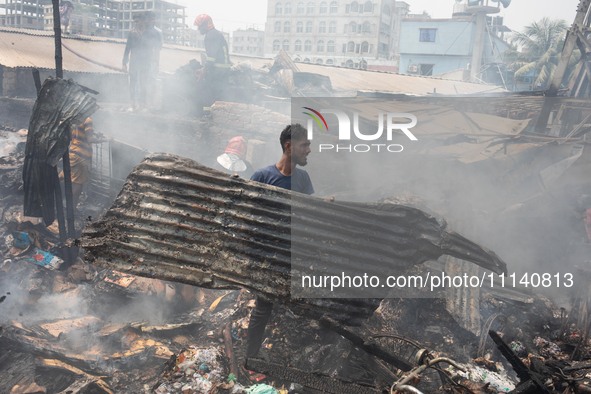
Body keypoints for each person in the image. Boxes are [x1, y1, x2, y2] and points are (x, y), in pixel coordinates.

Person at [245, 124, 314, 362]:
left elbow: (309, 215)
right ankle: (251, 357)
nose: (309, 150)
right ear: (289, 146)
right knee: (264, 307)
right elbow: (249, 218)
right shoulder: (263, 177)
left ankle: (298, 355)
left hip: (294, 255)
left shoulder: (303, 179)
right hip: (269, 257)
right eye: (305, 144)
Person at [122, 12, 162, 110]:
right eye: (135, 21)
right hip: (134, 61)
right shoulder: (132, 33)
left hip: (146, 61)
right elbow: (128, 48)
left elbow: (157, 50)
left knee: (144, 82)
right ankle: (133, 103)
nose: (136, 23)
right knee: (133, 82)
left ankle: (143, 103)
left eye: (138, 21)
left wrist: (156, 63)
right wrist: (124, 63)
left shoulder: (152, 33)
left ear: (143, 21)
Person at [193, 14, 231, 113]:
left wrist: (203, 72)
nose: (198, 29)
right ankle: (217, 114)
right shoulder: (216, 34)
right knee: (218, 94)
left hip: (217, 70)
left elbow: (211, 58)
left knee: (207, 90)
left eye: (200, 26)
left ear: (206, 25)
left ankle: (208, 115)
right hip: (223, 70)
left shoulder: (211, 36)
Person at [66, 117, 95, 208]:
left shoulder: (75, 118)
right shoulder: (88, 120)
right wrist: (107, 139)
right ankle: (71, 210)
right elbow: (90, 139)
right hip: (81, 156)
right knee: (78, 184)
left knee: (68, 176)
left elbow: (72, 136)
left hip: (73, 152)